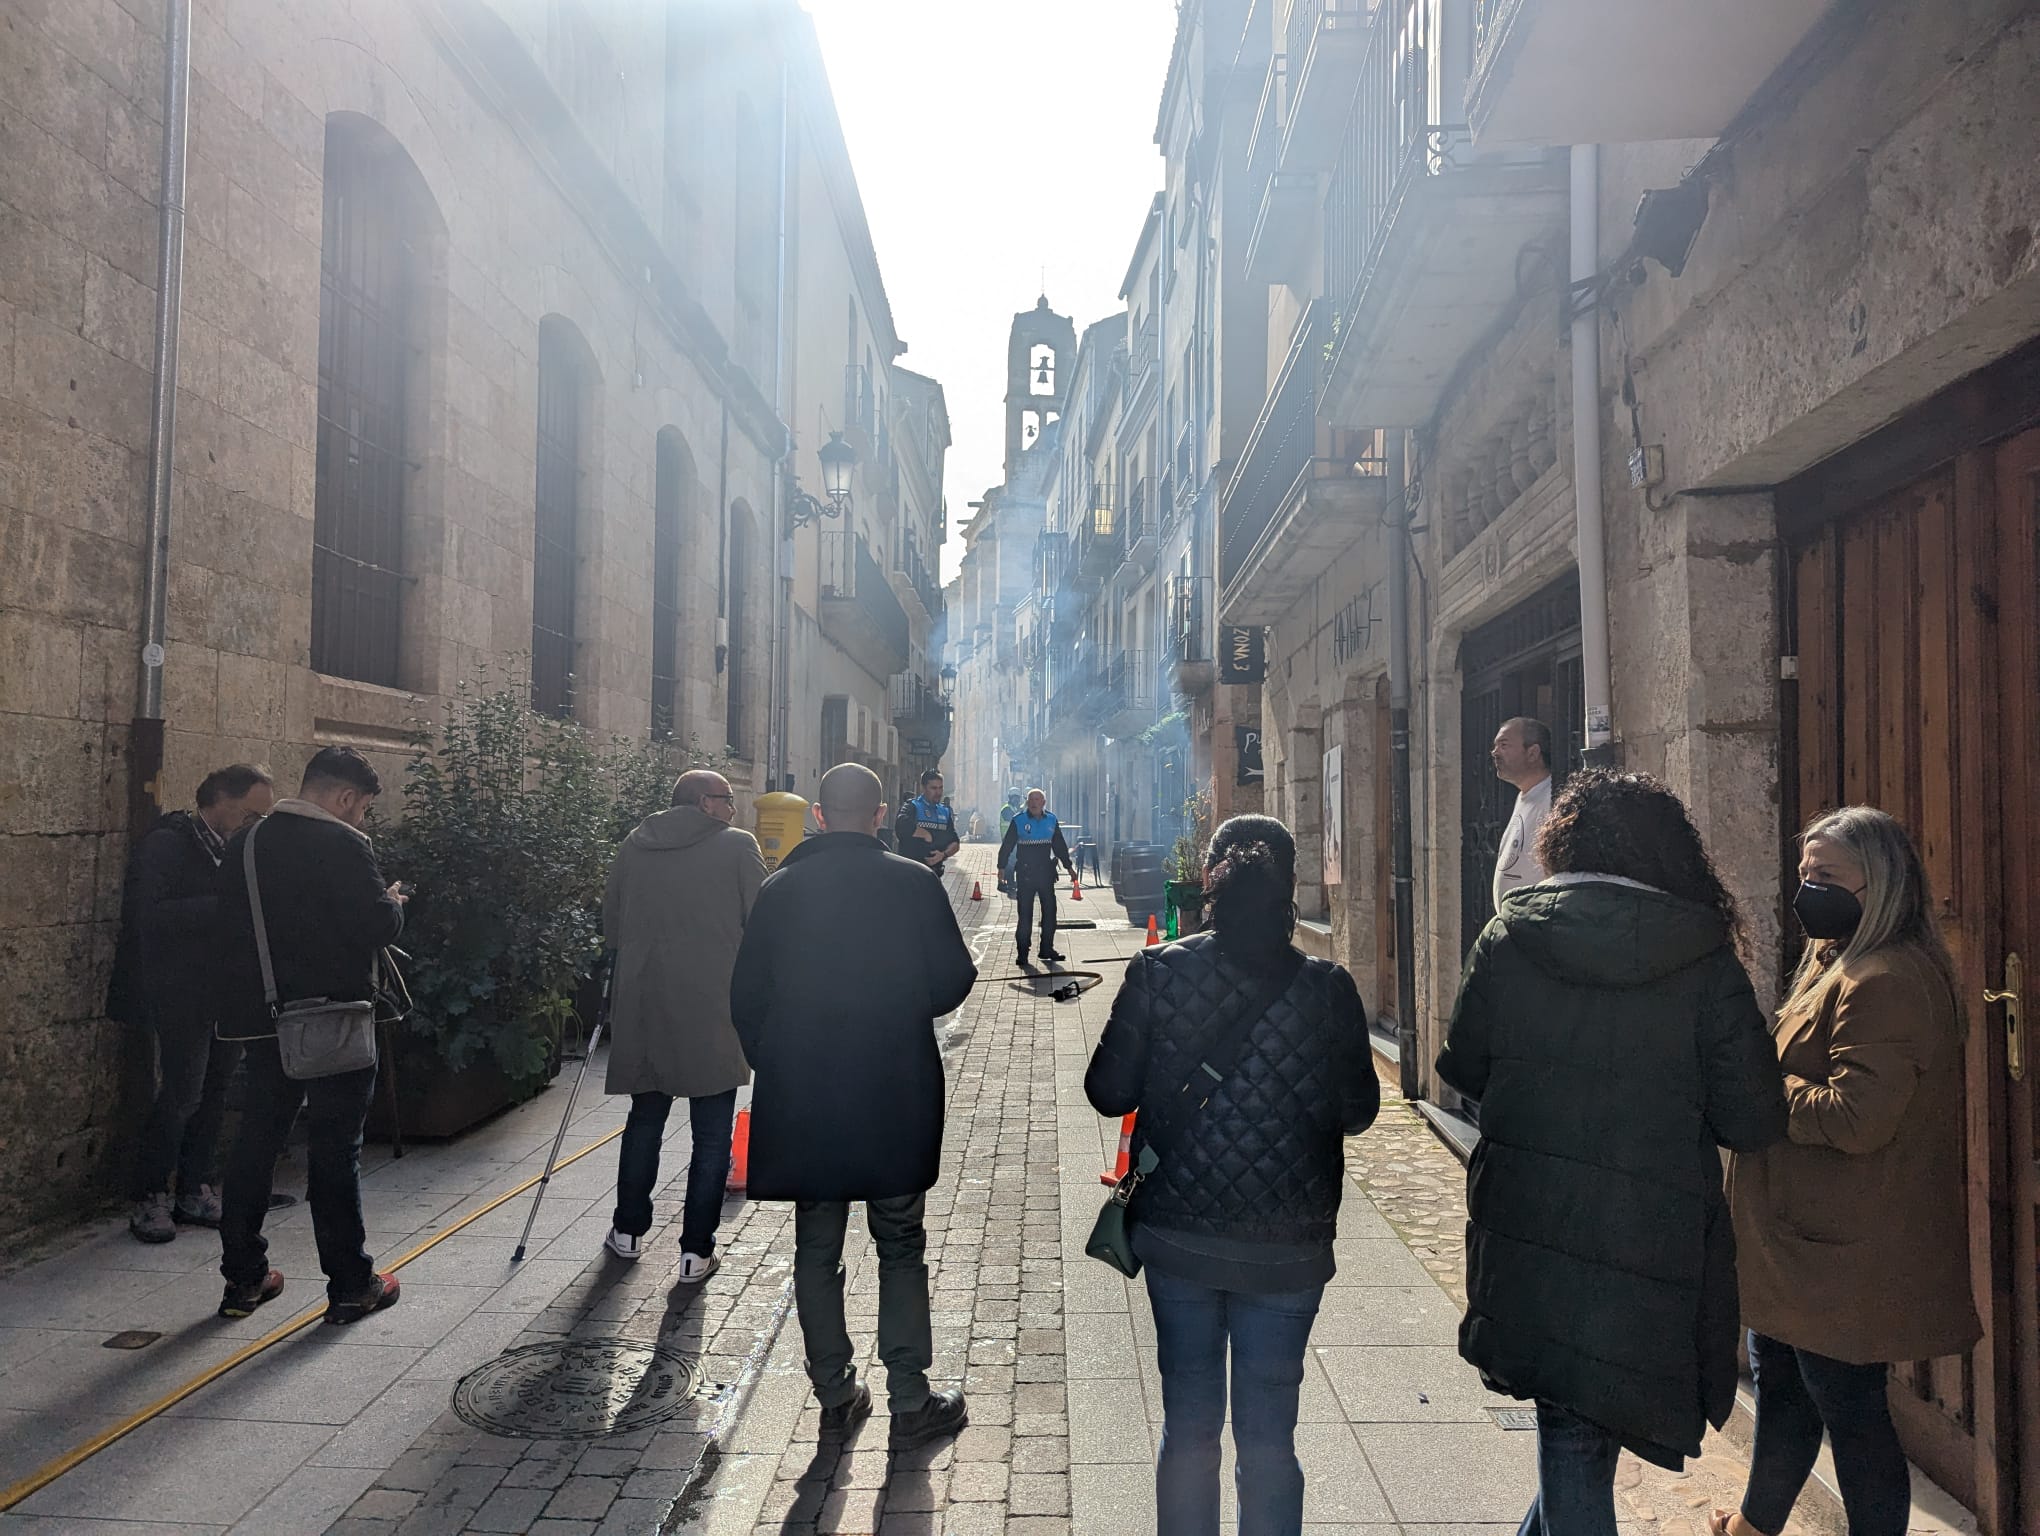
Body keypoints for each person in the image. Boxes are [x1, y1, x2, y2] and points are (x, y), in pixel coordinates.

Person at [1435, 770, 1786, 1535]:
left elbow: (1460, 1070)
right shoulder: (1700, 954)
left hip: (1532, 1216)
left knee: (1571, 1429)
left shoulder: (1510, 935)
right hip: (1651, 1225)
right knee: (1583, 1433)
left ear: (1564, 840)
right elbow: (1754, 1116)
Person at [1084, 815, 1378, 1536]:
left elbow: (1108, 1092)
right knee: (1270, 1439)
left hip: (1178, 1236)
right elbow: (1358, 1112)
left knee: (1189, 1427)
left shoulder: (1160, 971)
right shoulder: (1328, 988)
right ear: (1290, 892)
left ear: (1209, 885)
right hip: (1289, 1246)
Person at [1712, 807, 1980, 1536]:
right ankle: (1754, 1523)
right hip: (1803, 1242)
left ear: (1881, 882)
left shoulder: (1883, 978)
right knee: (1787, 1391)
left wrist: (1760, 1086)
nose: (1808, 890)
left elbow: (1858, 1117)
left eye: (1825, 877)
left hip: (1837, 1248)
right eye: (1804, 874)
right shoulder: (1841, 963)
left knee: (1850, 1415)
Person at [730, 763, 977, 1452]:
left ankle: (836, 1395)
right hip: (894, 1087)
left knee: (818, 1246)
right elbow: (955, 977)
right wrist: (901, 1011)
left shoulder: (780, 891)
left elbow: (745, 999)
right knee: (900, 1242)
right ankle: (910, 1398)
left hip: (808, 1094)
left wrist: (779, 1055)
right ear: (878, 815)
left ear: (817, 814)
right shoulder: (913, 883)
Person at [213, 747, 408, 1323]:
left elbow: (228, 930)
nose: (363, 820)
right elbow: (375, 924)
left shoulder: (245, 846)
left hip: (262, 1019)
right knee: (334, 1149)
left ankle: (244, 1280)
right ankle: (350, 1285)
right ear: (345, 797)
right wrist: (394, 904)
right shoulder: (345, 845)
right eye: (364, 808)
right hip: (334, 1019)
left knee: (256, 1142)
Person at [601, 770, 765, 1280]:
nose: (734, 810)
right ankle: (696, 1251)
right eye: (727, 800)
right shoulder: (738, 847)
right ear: (701, 802)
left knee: (645, 1119)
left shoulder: (634, 845)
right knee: (713, 1134)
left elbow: (611, 924)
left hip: (646, 1002)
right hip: (713, 1006)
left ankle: (627, 1231)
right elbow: (762, 924)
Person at [112, 764, 275, 1243]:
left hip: (227, 990)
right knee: (183, 1090)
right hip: (179, 991)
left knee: (216, 1090)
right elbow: (150, 916)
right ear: (219, 799)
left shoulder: (240, 850)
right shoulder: (168, 844)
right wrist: (225, 904)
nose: (255, 826)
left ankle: (195, 1187)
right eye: (250, 814)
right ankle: (149, 1195)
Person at [998, 787, 1075, 966]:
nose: (1033, 803)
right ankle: (1023, 953)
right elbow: (1007, 845)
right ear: (1027, 802)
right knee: (1025, 915)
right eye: (1031, 800)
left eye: (1037, 800)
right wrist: (1001, 867)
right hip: (1025, 873)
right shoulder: (1019, 820)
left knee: (1050, 913)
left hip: (1045, 874)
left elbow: (1060, 846)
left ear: (1043, 803)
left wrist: (1069, 868)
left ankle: (1046, 948)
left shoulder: (1052, 820)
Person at [1489, 716, 1554, 912]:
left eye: (1504, 745)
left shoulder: (1553, 797)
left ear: (1533, 753)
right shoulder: (1524, 795)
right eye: (1495, 745)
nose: (1495, 752)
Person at [894, 768, 960, 872]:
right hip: (911, 872)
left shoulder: (945, 811)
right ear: (923, 788)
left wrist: (943, 854)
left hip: (935, 873)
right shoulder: (912, 806)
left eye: (940, 788)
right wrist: (926, 834)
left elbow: (955, 842)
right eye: (933, 788)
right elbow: (901, 826)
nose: (938, 792)